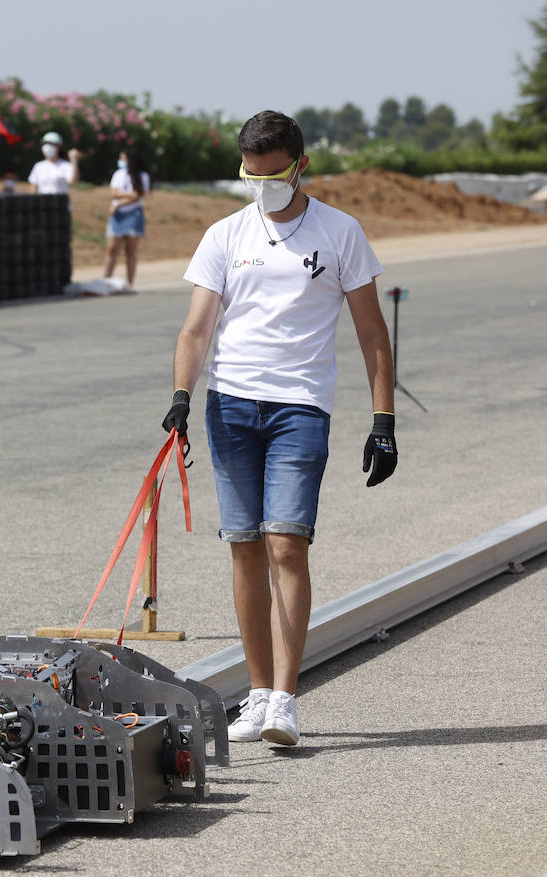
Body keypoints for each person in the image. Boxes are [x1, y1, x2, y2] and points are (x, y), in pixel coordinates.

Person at [164, 110, 396, 748]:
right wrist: (182, 396)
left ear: (302, 166)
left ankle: (287, 701)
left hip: (301, 407)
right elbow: (196, 328)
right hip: (231, 405)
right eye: (252, 176)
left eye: (275, 176)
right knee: (243, 545)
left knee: (286, 544)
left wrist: (384, 421)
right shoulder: (225, 235)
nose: (263, 187)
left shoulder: (341, 233)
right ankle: (258, 693)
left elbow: (372, 333)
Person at [103, 147, 152, 287]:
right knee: (112, 248)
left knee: (131, 250)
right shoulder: (119, 174)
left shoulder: (142, 176)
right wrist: (129, 195)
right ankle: (106, 281)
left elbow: (138, 196)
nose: (120, 161)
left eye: (123, 158)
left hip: (133, 214)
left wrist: (119, 203)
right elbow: (113, 193)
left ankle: (130, 283)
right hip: (117, 216)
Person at [28, 130, 80, 197]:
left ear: (59, 147)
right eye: (46, 144)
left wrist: (74, 160)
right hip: (43, 205)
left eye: (51, 144)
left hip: (60, 205)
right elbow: (33, 189)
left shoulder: (65, 165)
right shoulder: (38, 166)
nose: (47, 146)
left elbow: (73, 181)